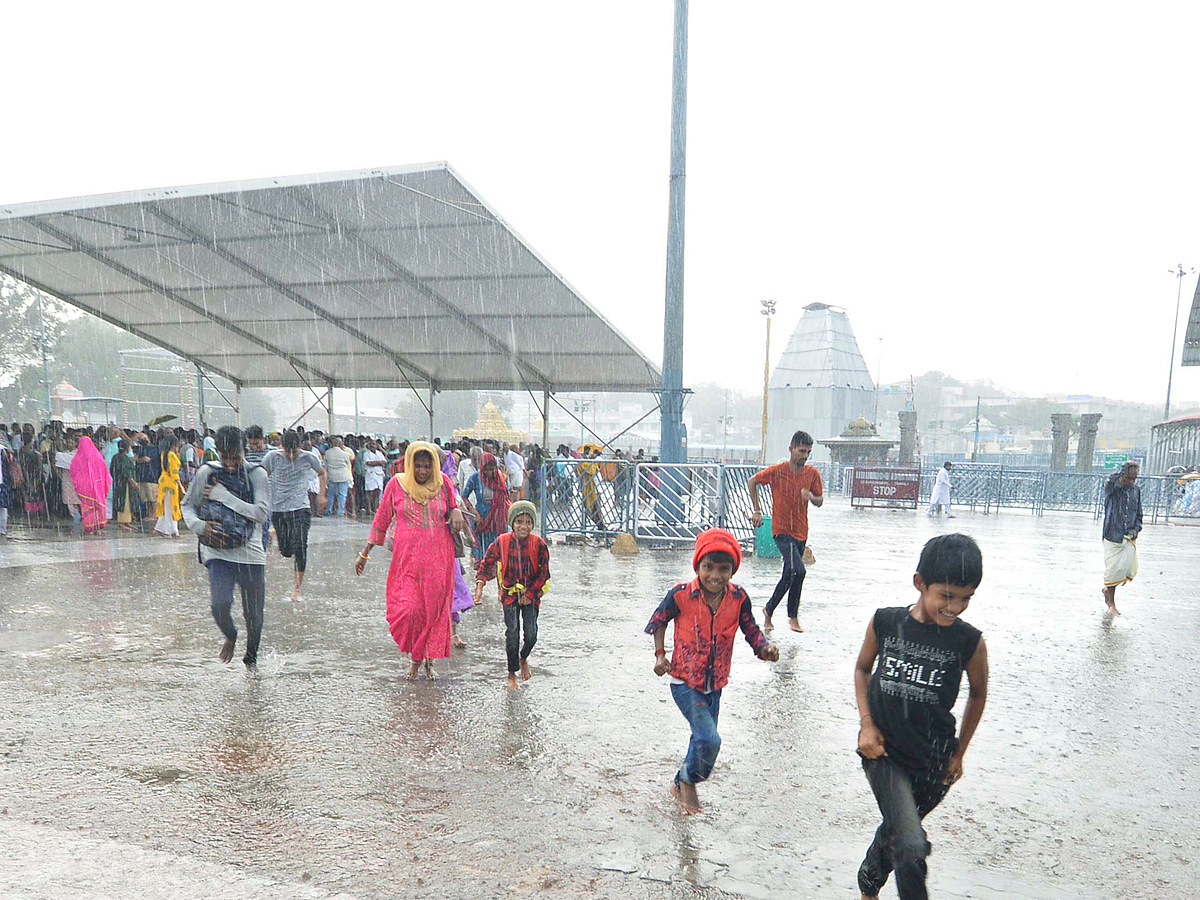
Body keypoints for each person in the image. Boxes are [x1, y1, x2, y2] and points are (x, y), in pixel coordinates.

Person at [853, 533, 988, 900]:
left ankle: (868, 882)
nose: (955, 607)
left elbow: (978, 694)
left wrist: (959, 752)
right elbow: (863, 670)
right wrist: (866, 723)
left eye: (966, 598)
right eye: (946, 596)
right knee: (911, 846)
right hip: (884, 754)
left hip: (935, 764)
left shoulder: (969, 642)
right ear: (919, 583)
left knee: (898, 831)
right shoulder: (885, 622)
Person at [644, 528, 779, 814]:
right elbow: (657, 621)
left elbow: (750, 629)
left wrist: (764, 648)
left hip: (715, 682)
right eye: (708, 567)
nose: (715, 576)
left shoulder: (739, 597)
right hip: (684, 681)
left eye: (723, 569)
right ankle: (688, 781)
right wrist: (660, 656)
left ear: (732, 570)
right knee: (709, 739)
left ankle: (679, 781)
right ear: (698, 566)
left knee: (700, 738)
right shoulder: (681, 594)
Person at [354, 442, 472, 681]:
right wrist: (365, 552)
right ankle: (418, 656)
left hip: (439, 559)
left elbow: (453, 508)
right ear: (409, 464)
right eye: (417, 466)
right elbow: (382, 519)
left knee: (433, 613)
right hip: (406, 559)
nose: (422, 472)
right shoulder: (396, 485)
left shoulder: (444, 483)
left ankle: (423, 661)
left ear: (434, 466)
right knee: (411, 610)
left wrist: (457, 511)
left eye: (427, 466)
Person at [182, 425, 271, 669]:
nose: (231, 462)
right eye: (225, 457)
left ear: (244, 451)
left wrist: (223, 496)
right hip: (217, 552)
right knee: (219, 606)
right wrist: (200, 526)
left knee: (254, 616)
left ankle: (251, 662)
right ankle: (230, 635)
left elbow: (261, 514)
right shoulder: (206, 473)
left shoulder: (257, 474)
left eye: (236, 457)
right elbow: (188, 505)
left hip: (251, 553)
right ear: (217, 453)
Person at [749, 429, 824, 633]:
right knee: (799, 571)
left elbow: (820, 501)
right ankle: (793, 616)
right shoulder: (777, 471)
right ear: (791, 449)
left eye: (808, 452)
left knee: (788, 575)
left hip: (801, 531)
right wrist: (757, 509)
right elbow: (752, 482)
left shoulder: (812, 474)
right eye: (801, 451)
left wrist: (810, 496)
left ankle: (768, 610)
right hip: (781, 530)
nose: (805, 456)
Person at [473, 500, 551, 690]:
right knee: (512, 633)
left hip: (531, 595)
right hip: (509, 594)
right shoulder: (502, 542)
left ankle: (523, 657)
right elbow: (486, 564)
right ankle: (511, 673)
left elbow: (544, 573)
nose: (524, 526)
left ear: (532, 524)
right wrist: (480, 586)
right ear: (511, 523)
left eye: (528, 522)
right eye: (519, 522)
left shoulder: (539, 544)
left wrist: (530, 594)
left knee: (531, 635)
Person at [261, 430, 327, 603]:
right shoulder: (272, 457)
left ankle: (296, 589)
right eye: (287, 451)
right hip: (279, 509)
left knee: (300, 547)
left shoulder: (308, 457)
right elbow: (261, 477)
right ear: (281, 446)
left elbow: (322, 473)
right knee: (286, 551)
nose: (291, 456)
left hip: (301, 508)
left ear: (300, 446)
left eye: (294, 451)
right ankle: (275, 531)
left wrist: (321, 494)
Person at [1102, 460, 1142, 616]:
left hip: (1129, 536)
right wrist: (1123, 470)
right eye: (1129, 477)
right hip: (1113, 534)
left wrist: (1137, 528)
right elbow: (1111, 480)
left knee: (1127, 569)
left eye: (1134, 479)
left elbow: (1139, 512)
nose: (1131, 482)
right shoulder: (1113, 488)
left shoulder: (1136, 490)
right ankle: (1111, 603)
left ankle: (1107, 591)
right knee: (1113, 570)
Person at [461, 451, 510, 562]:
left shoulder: (499, 478)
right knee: (483, 555)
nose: (490, 473)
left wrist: (504, 480)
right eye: (486, 470)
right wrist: (473, 511)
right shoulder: (475, 479)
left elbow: (506, 496)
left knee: (499, 554)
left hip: (498, 521)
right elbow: (463, 497)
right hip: (482, 521)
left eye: (492, 469)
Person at [70, 435, 112, 535]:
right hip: (98, 487)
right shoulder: (98, 457)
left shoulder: (78, 458)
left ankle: (90, 528)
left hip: (86, 488)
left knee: (88, 507)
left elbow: (73, 472)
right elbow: (105, 472)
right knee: (99, 506)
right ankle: (99, 527)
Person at [154, 438, 184, 538]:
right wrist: (181, 486)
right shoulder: (171, 455)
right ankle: (173, 532)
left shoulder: (164, 454)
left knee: (166, 507)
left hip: (164, 483)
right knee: (172, 507)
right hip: (171, 484)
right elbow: (174, 473)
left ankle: (159, 528)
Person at [109, 439, 138, 531]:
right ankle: (122, 522)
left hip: (118, 483)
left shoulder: (116, 457)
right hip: (125, 485)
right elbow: (126, 472)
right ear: (127, 448)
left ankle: (127, 521)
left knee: (124, 502)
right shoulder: (123, 458)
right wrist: (133, 482)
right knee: (124, 502)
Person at [323, 436, 355, 517]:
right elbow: (348, 464)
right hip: (343, 476)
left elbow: (325, 465)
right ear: (339, 444)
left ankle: (329, 510)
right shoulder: (345, 454)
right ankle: (340, 511)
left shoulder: (327, 453)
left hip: (332, 477)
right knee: (342, 495)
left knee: (331, 495)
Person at [134, 434, 161, 522]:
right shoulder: (141, 448)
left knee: (153, 497)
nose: (142, 440)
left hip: (151, 476)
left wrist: (137, 460)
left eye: (144, 438)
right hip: (142, 476)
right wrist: (135, 436)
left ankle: (155, 514)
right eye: (141, 439)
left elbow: (146, 459)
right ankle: (150, 514)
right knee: (146, 498)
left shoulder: (153, 449)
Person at [55, 436, 81, 525]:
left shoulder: (79, 453)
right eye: (68, 442)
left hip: (76, 479)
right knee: (69, 499)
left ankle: (80, 516)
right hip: (66, 478)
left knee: (78, 499)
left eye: (71, 442)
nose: (70, 444)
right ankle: (75, 517)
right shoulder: (63, 454)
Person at [362, 439, 387, 514]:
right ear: (368, 445)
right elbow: (369, 463)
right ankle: (368, 509)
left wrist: (376, 463)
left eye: (374, 444)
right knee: (369, 492)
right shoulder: (366, 453)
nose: (372, 445)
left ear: (377, 445)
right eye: (371, 444)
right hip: (370, 474)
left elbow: (385, 462)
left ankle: (376, 508)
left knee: (377, 492)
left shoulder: (379, 453)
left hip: (379, 475)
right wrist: (379, 463)